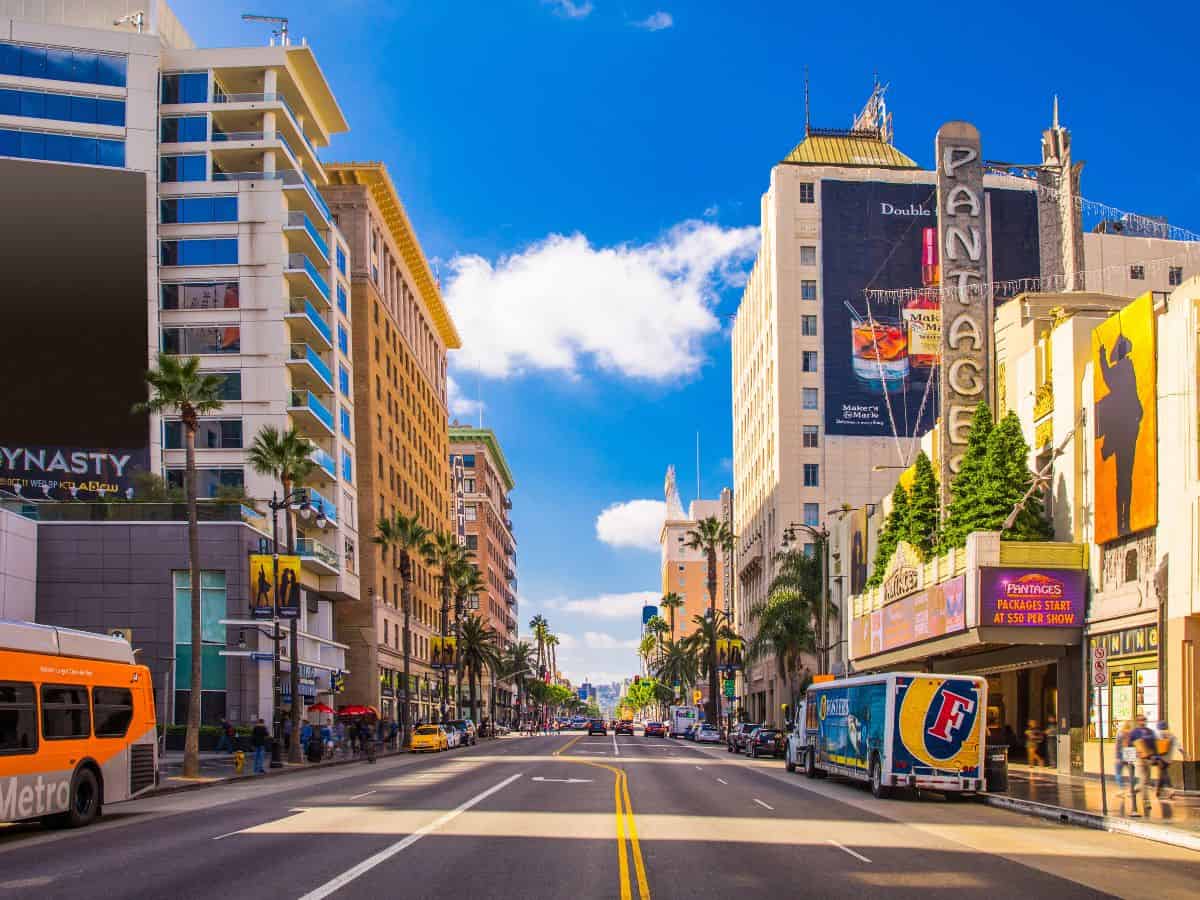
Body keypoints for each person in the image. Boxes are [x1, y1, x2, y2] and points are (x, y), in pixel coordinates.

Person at [1128, 714, 1158, 815]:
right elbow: (1128, 745)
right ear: (1137, 721)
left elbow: (1154, 745)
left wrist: (1155, 756)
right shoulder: (1134, 733)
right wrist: (1130, 759)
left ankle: (1135, 789)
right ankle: (1146, 801)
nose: (1143, 721)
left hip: (1148, 759)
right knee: (1144, 780)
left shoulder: (1150, 732)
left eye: (1144, 720)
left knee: (1146, 781)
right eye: (1140, 720)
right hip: (1138, 759)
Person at [1152, 720, 1184, 799]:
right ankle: (1158, 791)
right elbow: (1179, 746)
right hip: (1168, 759)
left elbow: (1153, 746)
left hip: (1159, 758)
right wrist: (1184, 754)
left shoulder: (1156, 734)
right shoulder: (1171, 735)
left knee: (1164, 774)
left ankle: (1170, 790)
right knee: (1162, 773)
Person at [1115, 719, 1135, 794]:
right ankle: (1131, 789)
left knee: (1118, 772)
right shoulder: (1132, 733)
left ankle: (1121, 789)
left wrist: (1117, 756)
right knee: (1131, 773)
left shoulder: (1120, 733)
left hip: (1121, 753)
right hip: (1130, 752)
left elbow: (1117, 746)